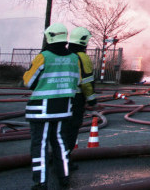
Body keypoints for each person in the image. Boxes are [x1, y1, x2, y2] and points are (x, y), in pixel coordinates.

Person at [23, 23, 81, 190]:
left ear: (49, 37)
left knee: (39, 145)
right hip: (64, 108)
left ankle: (41, 182)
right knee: (60, 142)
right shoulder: (74, 58)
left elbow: (29, 81)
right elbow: (76, 81)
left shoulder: (44, 56)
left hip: (41, 110)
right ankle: (64, 177)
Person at [62, 27, 96, 159]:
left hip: (58, 100)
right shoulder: (82, 58)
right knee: (71, 130)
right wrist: (92, 100)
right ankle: (66, 160)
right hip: (76, 100)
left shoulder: (62, 55)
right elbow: (87, 82)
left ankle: (58, 158)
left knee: (59, 131)